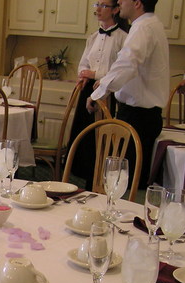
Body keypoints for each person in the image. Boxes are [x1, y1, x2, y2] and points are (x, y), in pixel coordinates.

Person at [88, 0, 169, 188]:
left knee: (125, 182)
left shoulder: (143, 28)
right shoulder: (152, 25)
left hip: (138, 116)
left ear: (137, 3)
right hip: (144, 115)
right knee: (129, 180)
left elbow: (127, 64)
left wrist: (98, 93)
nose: (119, 2)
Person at [70, 0, 128, 189]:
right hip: (89, 90)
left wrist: (95, 74)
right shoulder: (93, 37)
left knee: (102, 139)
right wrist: (83, 74)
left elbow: (120, 70)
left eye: (104, 5)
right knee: (85, 138)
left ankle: (98, 182)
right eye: (97, 4)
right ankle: (83, 177)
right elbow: (84, 63)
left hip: (108, 91)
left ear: (115, 10)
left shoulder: (123, 38)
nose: (98, 9)